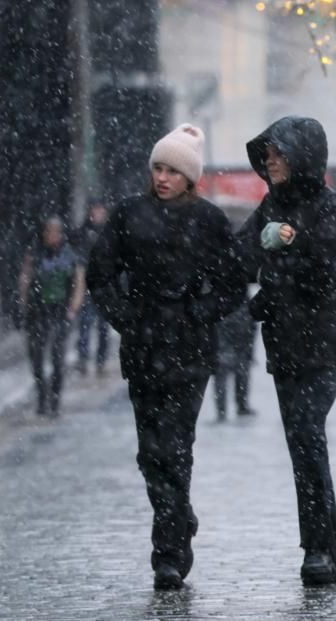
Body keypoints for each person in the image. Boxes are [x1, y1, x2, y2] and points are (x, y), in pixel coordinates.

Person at [86, 124, 245, 590]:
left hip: (190, 351)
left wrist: (199, 311)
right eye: (158, 167)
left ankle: (169, 554)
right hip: (143, 348)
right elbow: (100, 273)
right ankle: (180, 515)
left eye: (173, 171)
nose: (162, 177)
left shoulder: (210, 221)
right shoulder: (129, 215)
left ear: (189, 177)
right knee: (150, 452)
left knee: (175, 448)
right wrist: (126, 317)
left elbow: (233, 284)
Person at [238, 116, 336, 586]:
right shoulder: (270, 206)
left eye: (278, 151)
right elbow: (239, 256)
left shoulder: (328, 209)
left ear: (301, 156)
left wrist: (274, 275)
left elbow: (325, 278)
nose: (269, 160)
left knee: (308, 432)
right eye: (266, 152)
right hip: (286, 345)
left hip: (326, 346)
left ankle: (318, 548)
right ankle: (326, 550)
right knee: (302, 444)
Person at [18, 216, 86, 417]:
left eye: (55, 232)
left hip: (59, 311)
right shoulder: (35, 255)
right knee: (37, 358)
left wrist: (72, 308)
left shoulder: (70, 257)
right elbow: (25, 281)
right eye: (48, 232)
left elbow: (78, 283)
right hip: (37, 312)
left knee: (57, 358)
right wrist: (25, 305)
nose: (51, 236)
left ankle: (55, 399)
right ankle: (42, 396)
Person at [72, 200, 110, 376]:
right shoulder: (82, 234)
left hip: (104, 288)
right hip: (87, 287)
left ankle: (100, 360)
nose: (97, 214)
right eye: (95, 210)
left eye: (100, 210)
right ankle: (83, 359)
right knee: (85, 325)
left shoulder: (110, 232)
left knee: (102, 328)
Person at [213, 291, 257, 421]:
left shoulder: (222, 297)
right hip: (233, 344)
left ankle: (225, 410)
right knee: (235, 376)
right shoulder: (242, 299)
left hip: (233, 344)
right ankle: (234, 408)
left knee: (228, 378)